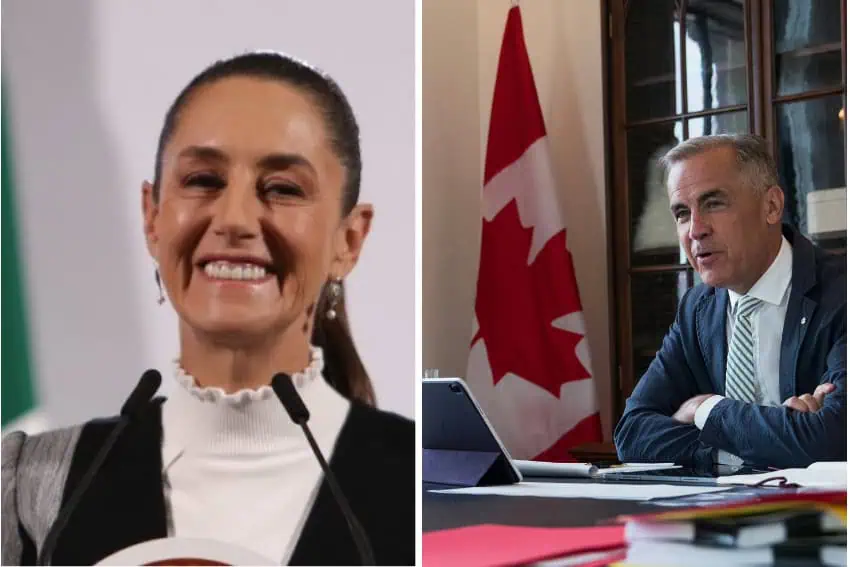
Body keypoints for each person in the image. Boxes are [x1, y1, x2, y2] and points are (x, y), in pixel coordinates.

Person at [1, 51, 414, 566]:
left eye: (282, 189)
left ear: (349, 240)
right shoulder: (30, 487)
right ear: (152, 217)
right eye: (203, 181)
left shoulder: (421, 487)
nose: (234, 218)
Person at [614, 134, 846, 471]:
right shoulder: (697, 308)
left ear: (771, 206)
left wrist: (704, 410)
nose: (695, 230)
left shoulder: (841, 293)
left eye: (713, 203)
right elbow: (632, 434)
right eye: (681, 213)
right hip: (719, 516)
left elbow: (835, 439)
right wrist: (762, 445)